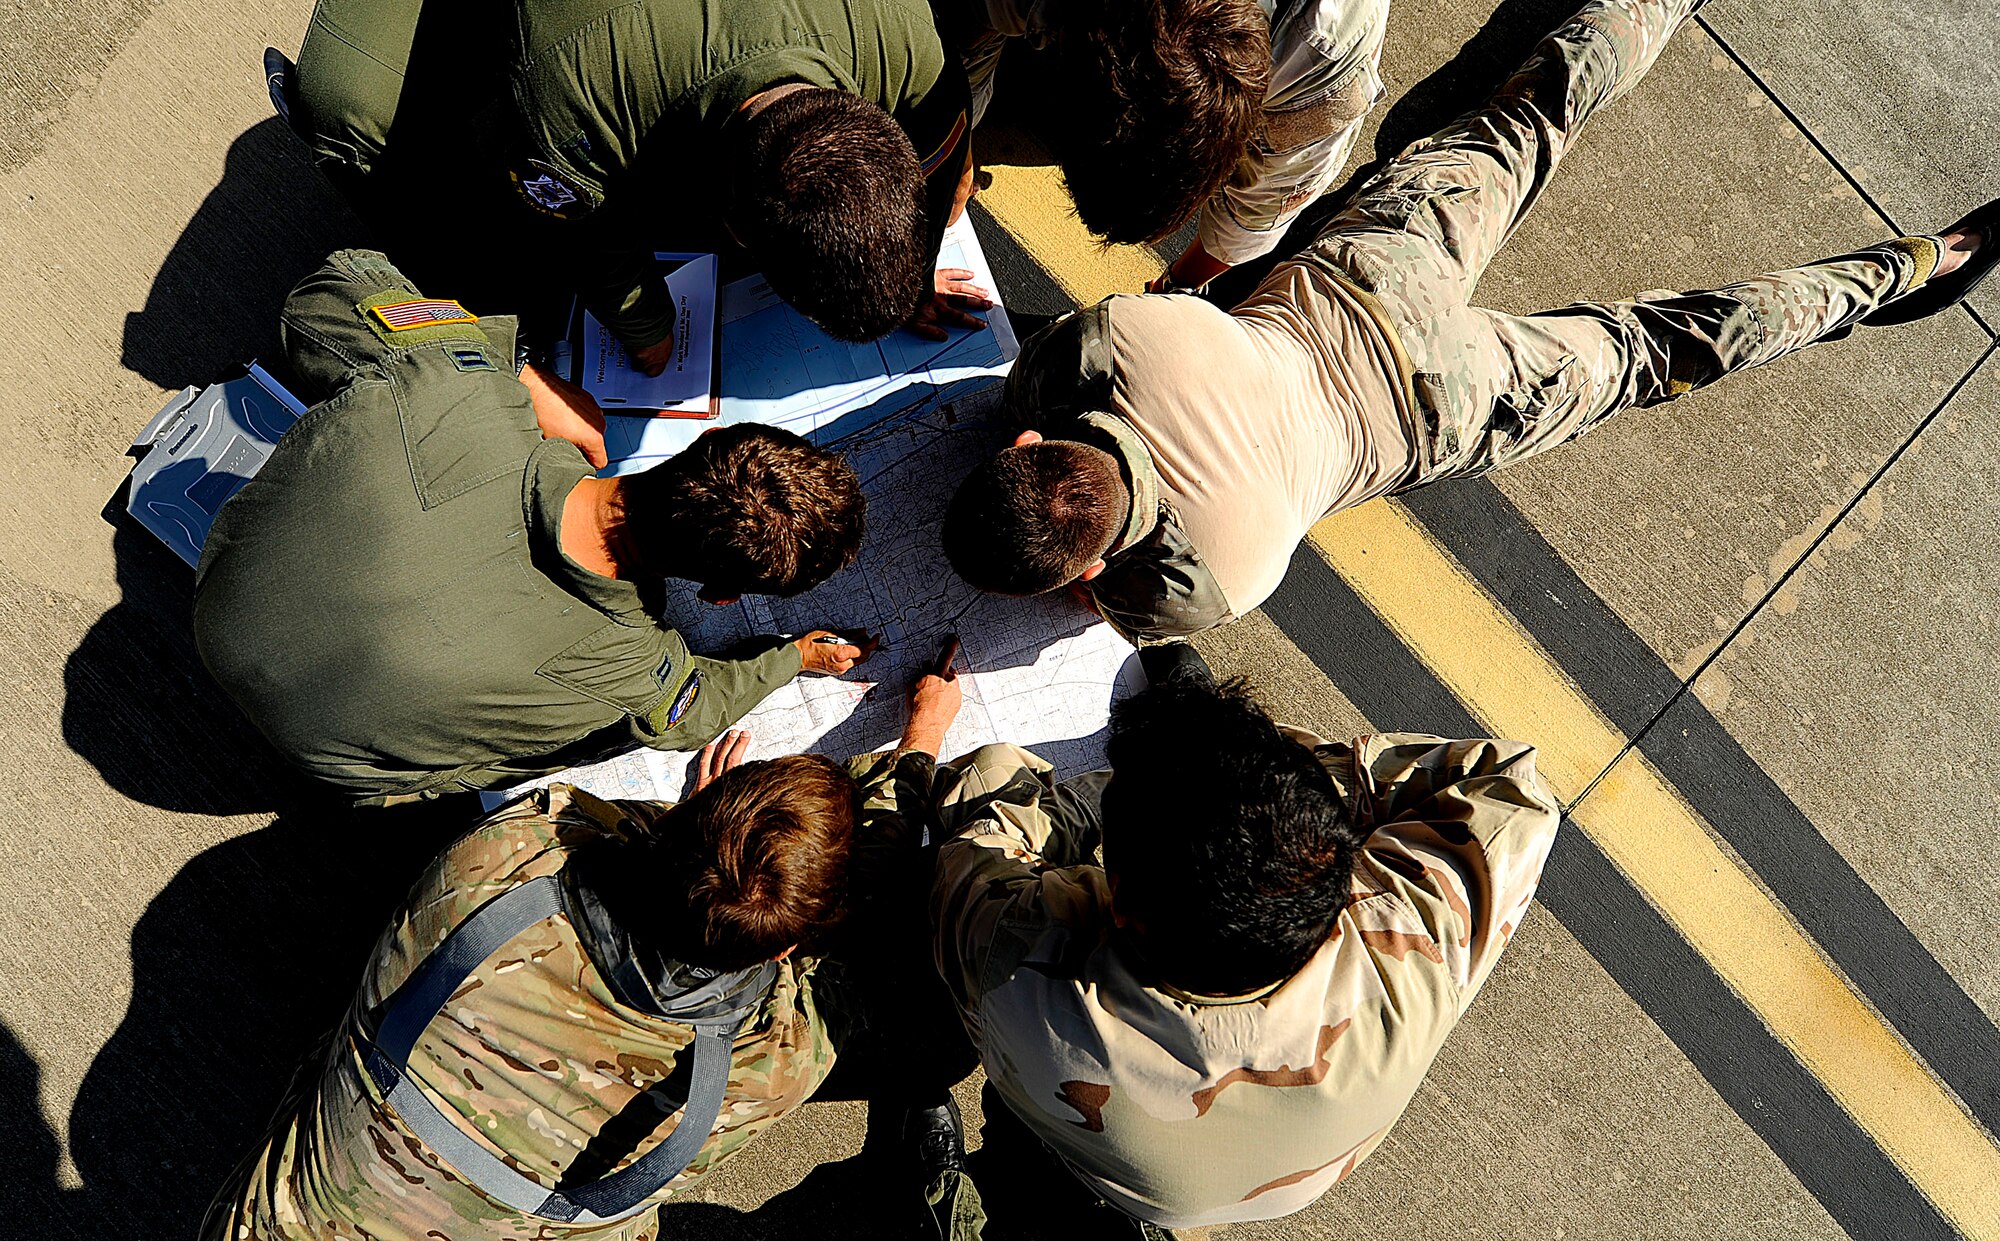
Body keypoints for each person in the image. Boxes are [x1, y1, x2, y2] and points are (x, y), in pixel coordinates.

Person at [942, 0, 1998, 643]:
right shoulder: (1120, 339)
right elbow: (1043, 378)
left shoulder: (1206, 581)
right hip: (1367, 274)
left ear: (1086, 568)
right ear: (1031, 443)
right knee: (1534, 108)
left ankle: (1911, 267)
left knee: (1654, 347)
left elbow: (1120, 604)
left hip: (1434, 410)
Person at [200, 667, 974, 1241]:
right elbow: (864, 944)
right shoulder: (767, 1066)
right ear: (796, 945)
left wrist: (691, 822)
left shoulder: (498, 865)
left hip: (266, 1228)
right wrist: (916, 754)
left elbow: (581, 821)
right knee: (930, 1037)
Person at [194, 250, 873, 803]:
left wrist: (509, 372)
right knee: (594, 736)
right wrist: (794, 656)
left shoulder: (453, 387)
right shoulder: (636, 670)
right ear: (721, 596)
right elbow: (689, 712)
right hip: (317, 752)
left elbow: (320, 294)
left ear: (698, 445)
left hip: (219, 589)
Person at [926, 665, 1561, 1235]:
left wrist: (1089, 800)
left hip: (1072, 1119)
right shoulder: (1415, 947)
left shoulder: (1017, 956)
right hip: (1199, 1192)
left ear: (1118, 901)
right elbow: (1509, 786)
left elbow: (975, 841)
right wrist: (1282, 793)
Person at [275, 0, 983, 360]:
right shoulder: (576, 106)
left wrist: (906, 274)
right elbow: (591, 241)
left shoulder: (908, 40)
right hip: (576, 41)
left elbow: (949, 154)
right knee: (352, 110)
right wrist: (646, 328)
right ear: (734, 225)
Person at [934, 0, 1389, 290]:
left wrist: (1173, 286)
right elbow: (969, 20)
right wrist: (954, 155)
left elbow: (1256, 214)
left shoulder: (1322, 64)